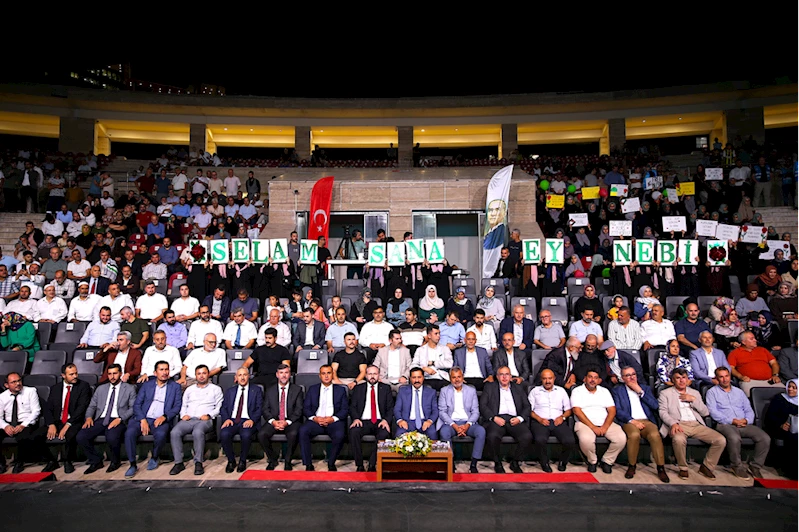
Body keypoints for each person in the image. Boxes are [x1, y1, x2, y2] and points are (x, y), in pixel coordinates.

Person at [658, 368, 726, 480]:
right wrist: (673, 423)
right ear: (673, 380)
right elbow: (662, 412)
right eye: (678, 378)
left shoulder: (695, 393)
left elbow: (705, 412)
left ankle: (707, 467)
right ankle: (683, 468)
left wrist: (693, 400)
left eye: (684, 378)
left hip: (696, 424)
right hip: (679, 424)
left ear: (687, 379)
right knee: (678, 440)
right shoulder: (665, 393)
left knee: (720, 440)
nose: (681, 381)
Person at [706, 367, 771, 479]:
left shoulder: (739, 392)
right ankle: (737, 466)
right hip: (725, 424)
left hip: (743, 423)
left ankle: (755, 466)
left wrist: (746, 420)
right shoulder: (712, 392)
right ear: (716, 378)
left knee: (765, 438)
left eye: (727, 376)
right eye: (721, 377)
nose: (725, 379)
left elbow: (748, 410)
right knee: (735, 438)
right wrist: (732, 421)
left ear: (730, 377)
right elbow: (713, 412)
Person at [611, 366, 670, 482]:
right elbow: (617, 409)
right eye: (628, 375)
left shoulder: (645, 389)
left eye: (633, 374)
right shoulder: (617, 390)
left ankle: (661, 468)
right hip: (630, 421)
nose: (632, 377)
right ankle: (632, 466)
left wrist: (640, 392)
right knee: (634, 435)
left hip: (646, 420)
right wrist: (632, 420)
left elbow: (655, 406)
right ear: (622, 378)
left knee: (654, 435)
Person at [124, 361, 182, 477]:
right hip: (143, 418)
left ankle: (155, 457)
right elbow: (137, 405)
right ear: (155, 373)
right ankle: (132, 464)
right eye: (161, 370)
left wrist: (165, 416)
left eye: (166, 370)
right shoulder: (147, 385)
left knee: (161, 434)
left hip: (161, 419)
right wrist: (142, 419)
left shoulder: (175, 387)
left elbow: (177, 406)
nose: (164, 373)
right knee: (129, 433)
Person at [77, 364, 137, 474]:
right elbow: (92, 406)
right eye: (110, 374)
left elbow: (133, 408)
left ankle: (115, 461)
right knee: (81, 436)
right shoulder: (100, 389)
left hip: (119, 419)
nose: (112, 376)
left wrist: (120, 418)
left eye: (115, 373)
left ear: (120, 373)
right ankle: (96, 460)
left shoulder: (129, 388)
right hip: (101, 418)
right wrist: (89, 417)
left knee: (112, 436)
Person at [168, 365, 223, 476]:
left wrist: (209, 415)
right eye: (199, 374)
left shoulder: (215, 389)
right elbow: (184, 405)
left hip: (205, 420)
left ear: (208, 374)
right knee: (175, 432)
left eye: (204, 373)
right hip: (188, 419)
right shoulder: (189, 389)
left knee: (197, 432)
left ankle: (198, 462)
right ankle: (179, 462)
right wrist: (183, 415)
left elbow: (219, 407)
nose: (201, 376)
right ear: (195, 375)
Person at [571, 368, 627, 474]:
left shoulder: (604, 391)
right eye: (590, 377)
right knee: (586, 440)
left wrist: (605, 426)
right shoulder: (577, 391)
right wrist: (593, 427)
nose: (593, 380)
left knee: (621, 438)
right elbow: (576, 411)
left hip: (604, 421)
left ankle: (607, 461)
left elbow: (612, 410)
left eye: (596, 378)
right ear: (584, 379)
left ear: (599, 380)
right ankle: (592, 461)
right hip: (585, 423)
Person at [479, 365, 533, 474]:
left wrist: (520, 418)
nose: (504, 377)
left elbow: (527, 406)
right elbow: (483, 406)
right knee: (492, 436)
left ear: (511, 376)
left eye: (507, 374)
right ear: (497, 377)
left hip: (514, 419)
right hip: (497, 418)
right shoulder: (490, 387)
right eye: (501, 374)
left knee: (527, 436)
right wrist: (493, 418)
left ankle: (515, 462)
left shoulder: (518, 388)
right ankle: (498, 463)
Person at [40, 363, 92, 474]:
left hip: (74, 420)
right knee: (36, 436)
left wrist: (68, 424)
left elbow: (81, 408)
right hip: (57, 421)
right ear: (63, 375)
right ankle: (51, 461)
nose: (75, 376)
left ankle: (67, 461)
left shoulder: (83, 386)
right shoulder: (55, 388)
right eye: (71, 374)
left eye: (76, 373)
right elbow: (48, 408)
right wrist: (51, 424)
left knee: (70, 435)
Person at [298, 365, 348, 471]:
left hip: (333, 421)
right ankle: (308, 464)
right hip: (316, 421)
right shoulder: (312, 389)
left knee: (340, 434)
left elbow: (344, 410)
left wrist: (333, 418)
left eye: (329, 373)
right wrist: (314, 418)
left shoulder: (341, 390)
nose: (326, 376)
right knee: (303, 430)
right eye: (323, 373)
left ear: (332, 374)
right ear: (320, 376)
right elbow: (306, 408)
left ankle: (331, 462)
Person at [528, 369, 576, 473]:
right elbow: (529, 410)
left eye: (550, 378)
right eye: (545, 378)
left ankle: (563, 462)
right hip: (540, 421)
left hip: (558, 420)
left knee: (570, 441)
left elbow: (568, 410)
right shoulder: (535, 391)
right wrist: (539, 419)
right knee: (540, 440)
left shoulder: (561, 391)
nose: (547, 381)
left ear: (554, 379)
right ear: (541, 379)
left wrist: (562, 417)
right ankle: (544, 462)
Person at [438, 367, 484, 474]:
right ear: (450, 379)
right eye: (454, 377)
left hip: (467, 422)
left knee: (481, 431)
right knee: (444, 432)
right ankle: (451, 462)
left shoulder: (471, 391)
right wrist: (454, 426)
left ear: (463, 377)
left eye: (459, 377)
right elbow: (442, 412)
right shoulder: (444, 391)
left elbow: (475, 411)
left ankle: (473, 463)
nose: (457, 380)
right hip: (451, 423)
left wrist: (467, 425)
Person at [349, 365, 395, 472]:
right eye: (370, 374)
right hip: (363, 421)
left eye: (375, 374)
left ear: (379, 375)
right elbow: (352, 407)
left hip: (379, 421)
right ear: (365, 375)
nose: (372, 376)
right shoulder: (359, 388)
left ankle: (372, 464)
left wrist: (386, 420)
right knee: (354, 432)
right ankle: (359, 465)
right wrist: (356, 418)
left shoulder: (386, 388)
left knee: (384, 434)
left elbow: (390, 408)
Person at [259, 364, 304, 471]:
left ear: (290, 375)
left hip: (290, 421)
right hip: (274, 420)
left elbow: (299, 410)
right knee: (261, 434)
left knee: (293, 434)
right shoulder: (270, 390)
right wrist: (273, 421)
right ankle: (272, 459)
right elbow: (265, 409)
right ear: (277, 375)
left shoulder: (297, 389)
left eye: (286, 373)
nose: (284, 376)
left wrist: (287, 422)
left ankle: (288, 461)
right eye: (281, 373)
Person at [219, 367, 263, 473]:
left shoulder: (256, 390)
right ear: (236, 378)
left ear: (249, 376)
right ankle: (231, 461)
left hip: (247, 420)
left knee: (246, 435)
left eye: (244, 375)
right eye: (240, 375)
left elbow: (260, 408)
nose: (242, 377)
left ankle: (243, 461)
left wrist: (252, 420)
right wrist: (226, 419)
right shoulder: (230, 391)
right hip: (232, 420)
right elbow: (223, 408)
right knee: (224, 434)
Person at [728, 331, 783, 397]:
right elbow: (731, 368)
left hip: (770, 380)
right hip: (750, 381)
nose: (755, 340)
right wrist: (740, 377)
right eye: (752, 339)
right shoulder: (734, 353)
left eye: (754, 338)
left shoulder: (762, 350)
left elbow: (774, 363)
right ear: (743, 342)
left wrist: (775, 375)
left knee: (785, 395)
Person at [763, 379, 799, 479]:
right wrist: (781, 425)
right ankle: (792, 472)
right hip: (780, 428)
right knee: (795, 438)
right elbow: (770, 416)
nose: (790, 389)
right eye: (789, 386)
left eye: (794, 388)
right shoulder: (779, 398)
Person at [394, 367, 438, 440]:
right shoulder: (403, 391)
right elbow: (397, 409)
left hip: (425, 422)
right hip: (407, 422)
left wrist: (429, 421)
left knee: (432, 433)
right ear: (410, 378)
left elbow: (435, 410)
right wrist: (400, 420)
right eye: (414, 377)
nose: (417, 380)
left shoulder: (431, 392)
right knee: (399, 434)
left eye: (419, 377)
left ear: (423, 378)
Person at [411, 324, 453, 391]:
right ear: (429, 335)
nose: (438, 336)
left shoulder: (445, 349)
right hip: (426, 378)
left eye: (439, 333)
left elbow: (450, 364)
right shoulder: (420, 350)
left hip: (441, 377)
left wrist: (433, 363)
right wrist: (424, 369)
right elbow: (413, 366)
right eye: (436, 334)